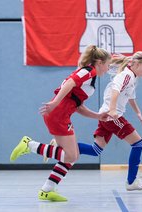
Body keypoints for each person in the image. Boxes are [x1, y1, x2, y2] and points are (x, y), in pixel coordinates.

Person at [10, 45, 111, 202]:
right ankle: (29, 145)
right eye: (107, 64)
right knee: (71, 155)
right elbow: (69, 83)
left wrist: (97, 116)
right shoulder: (88, 71)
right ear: (99, 62)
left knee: (73, 156)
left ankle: (47, 190)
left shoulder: (90, 77)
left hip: (62, 115)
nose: (108, 68)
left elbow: (78, 106)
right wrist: (56, 102)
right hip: (58, 114)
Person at [47, 52, 142, 191]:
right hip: (111, 116)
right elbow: (115, 90)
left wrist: (138, 112)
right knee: (138, 144)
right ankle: (131, 181)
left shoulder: (132, 77)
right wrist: (113, 110)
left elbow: (130, 97)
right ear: (137, 64)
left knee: (95, 150)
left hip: (106, 117)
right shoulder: (126, 76)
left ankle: (62, 146)